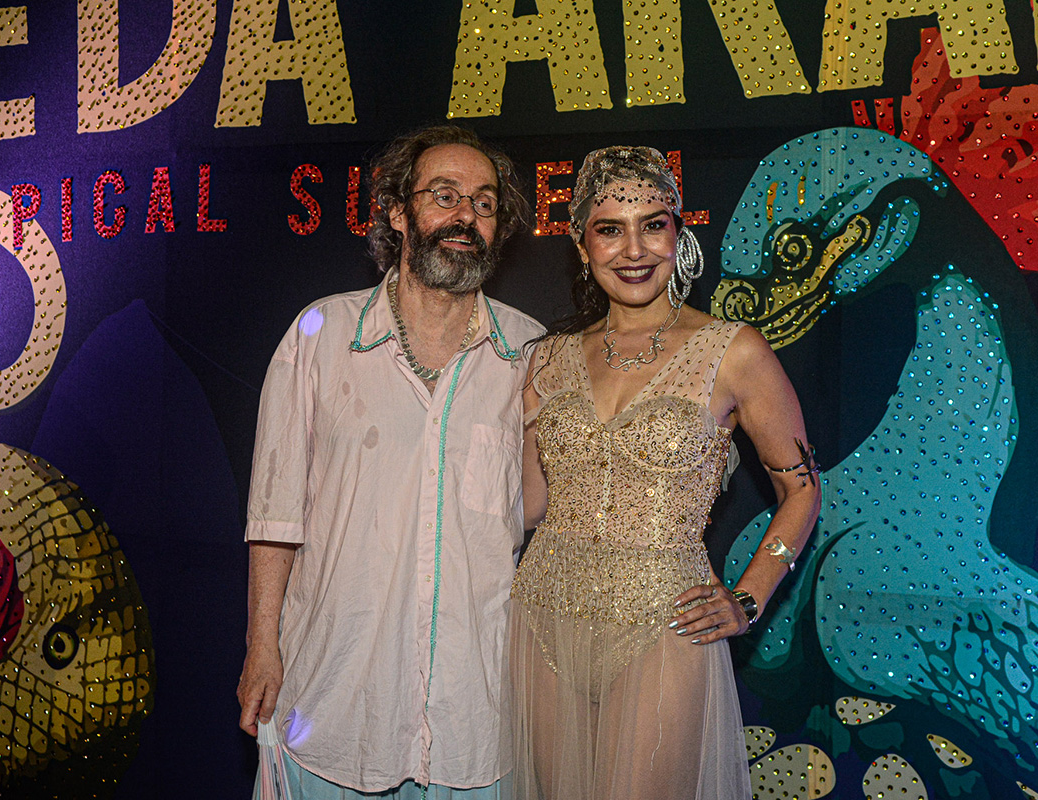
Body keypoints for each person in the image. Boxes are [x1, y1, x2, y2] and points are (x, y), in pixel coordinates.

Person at [238, 125, 544, 800]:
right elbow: (275, 513)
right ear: (399, 212)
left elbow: (537, 512)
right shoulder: (320, 337)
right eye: (445, 195)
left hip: (474, 718)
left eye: (484, 203)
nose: (465, 216)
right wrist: (262, 645)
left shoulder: (532, 356)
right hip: (335, 706)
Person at [509, 146, 822, 800]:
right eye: (610, 229)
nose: (634, 249)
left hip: (665, 619)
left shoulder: (732, 350)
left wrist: (749, 597)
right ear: (581, 244)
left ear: (679, 234)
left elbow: (801, 489)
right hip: (543, 615)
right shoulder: (546, 358)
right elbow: (529, 507)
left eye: (653, 225)